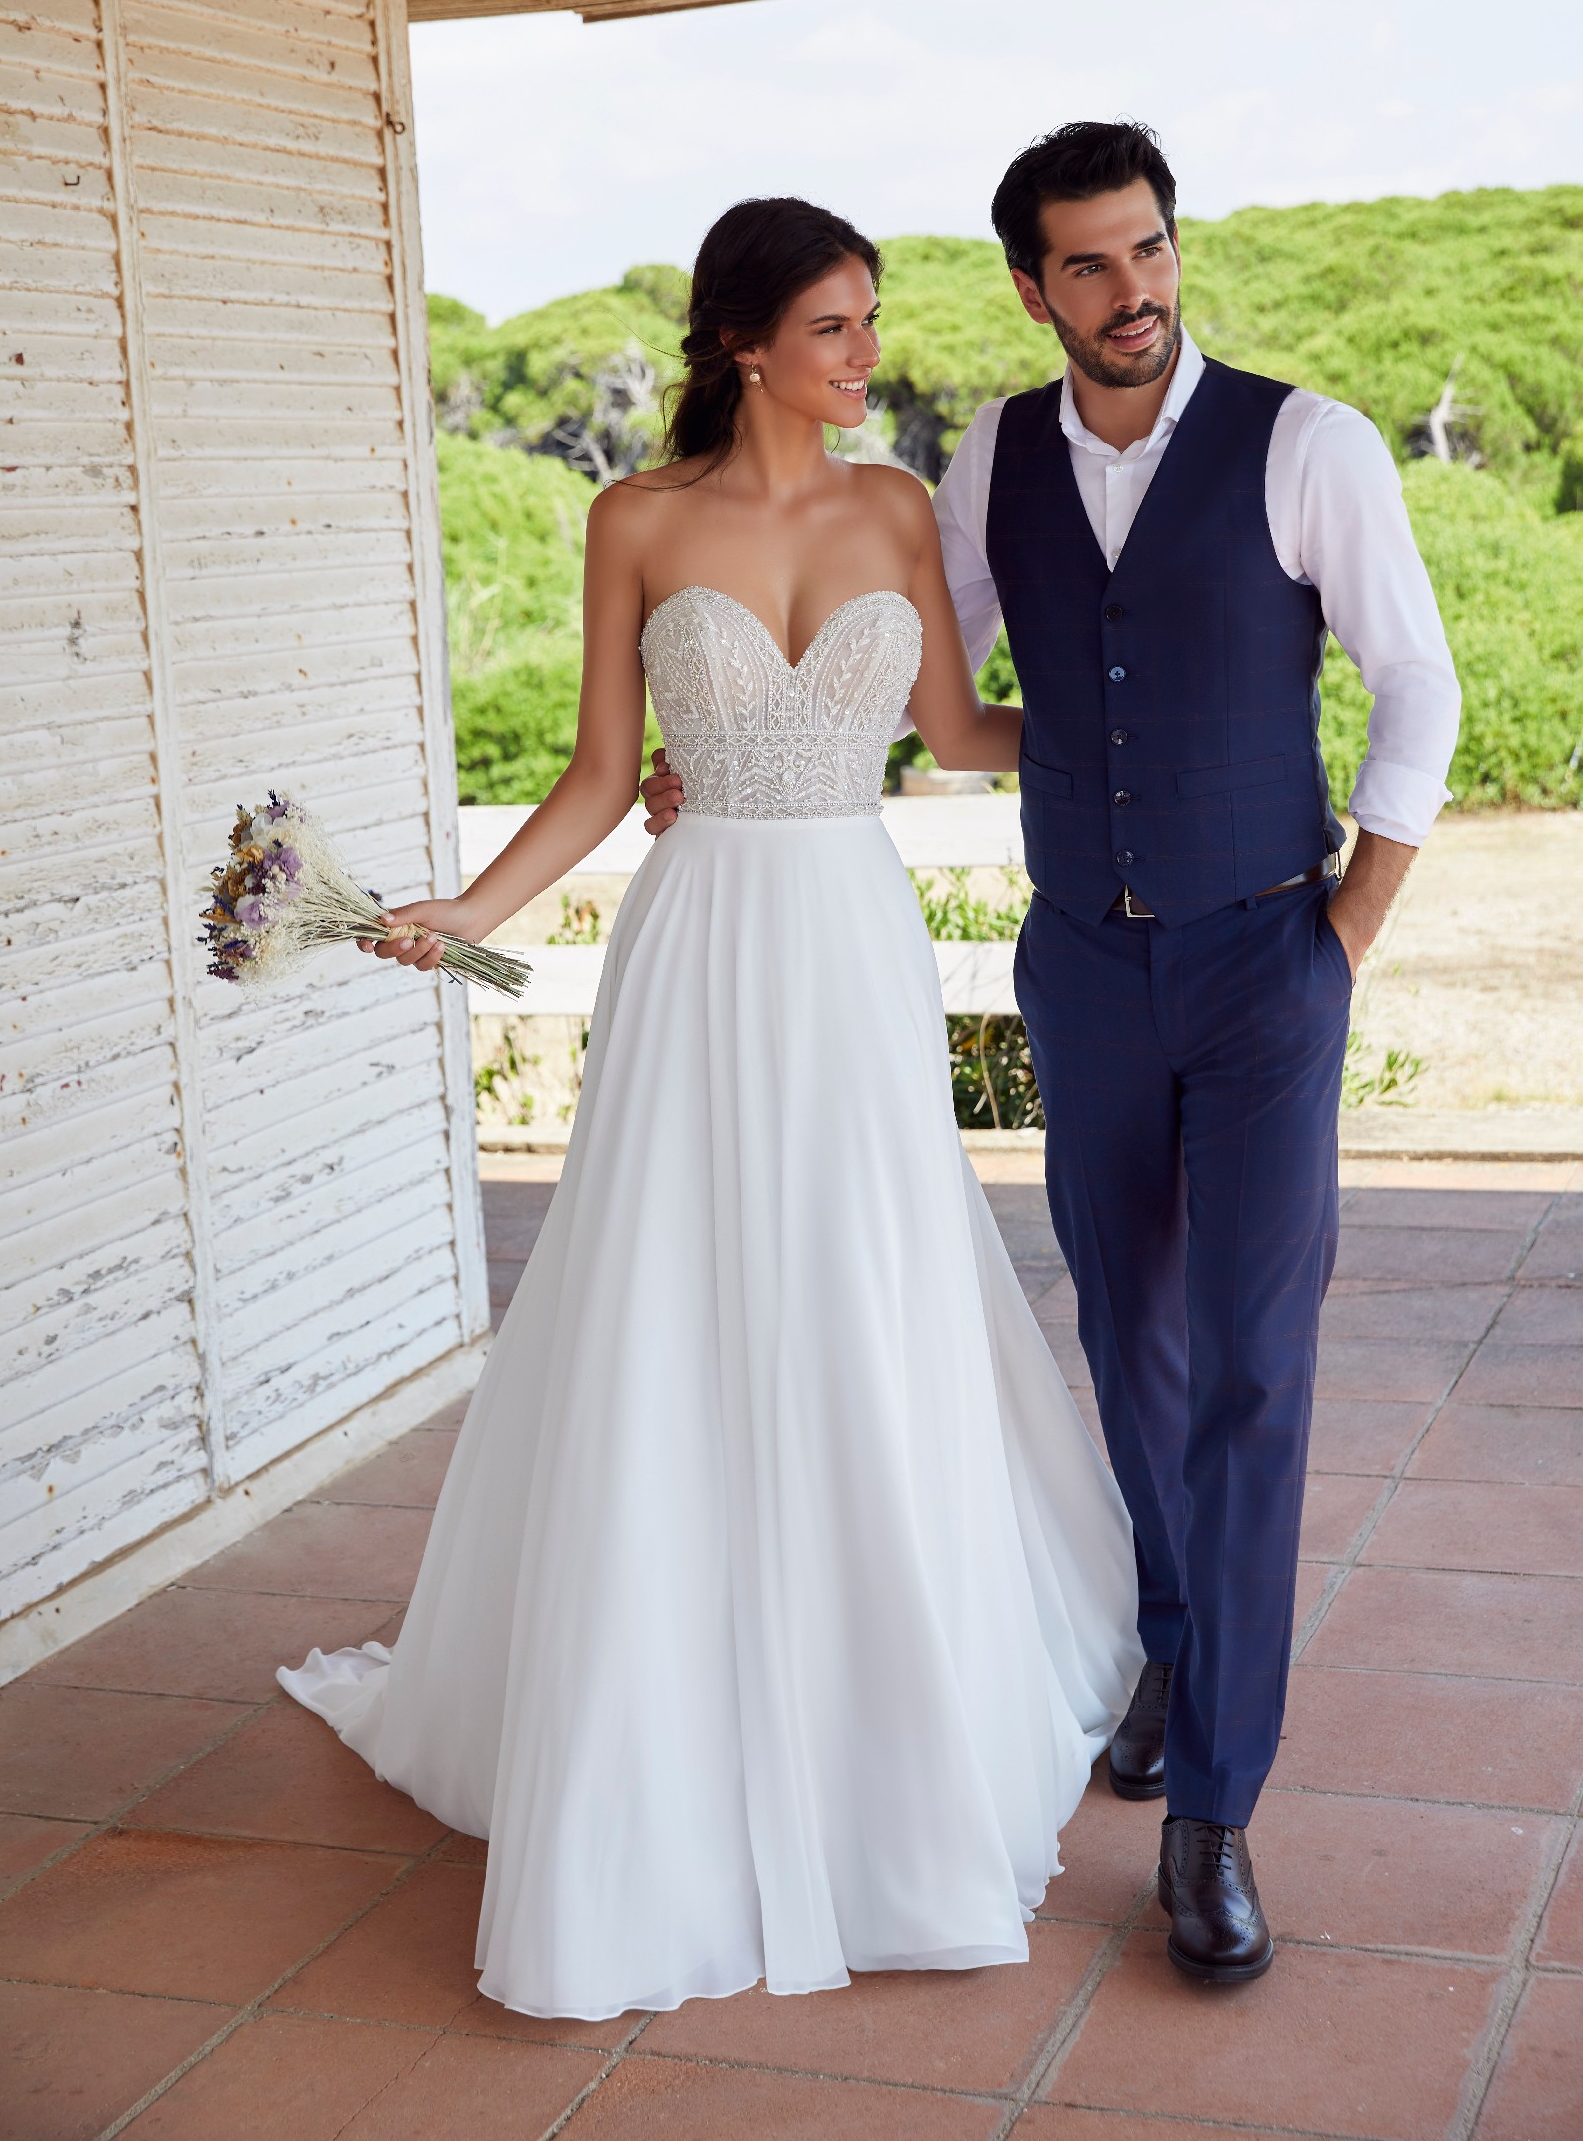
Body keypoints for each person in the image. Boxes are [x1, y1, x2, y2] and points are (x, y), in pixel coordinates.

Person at [279, 195, 1143, 2022]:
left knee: (858, 1287)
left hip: (847, 940)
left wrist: (1152, 712)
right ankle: (656, 1726)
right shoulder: (636, 521)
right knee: (674, 1307)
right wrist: (469, 914)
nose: (867, 355)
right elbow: (604, 775)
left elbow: (964, 733)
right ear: (747, 341)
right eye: (835, 326)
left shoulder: (898, 504)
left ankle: (880, 1697)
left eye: (872, 322)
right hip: (703, 948)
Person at [643, 127, 1462, 1984]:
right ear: (1032, 287)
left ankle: (1216, 1815)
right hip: (1079, 968)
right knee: (1130, 1334)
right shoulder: (989, 460)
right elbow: (927, 696)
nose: (1132, 292)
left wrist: (1348, 935)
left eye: (1150, 252)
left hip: (1272, 956)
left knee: (1253, 1369)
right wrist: (728, 752)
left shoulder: (1308, 444)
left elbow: (1415, 684)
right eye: (1087, 267)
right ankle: (1170, 1638)